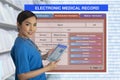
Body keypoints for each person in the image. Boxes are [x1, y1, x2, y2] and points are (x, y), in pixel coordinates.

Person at [11, 10, 59, 80]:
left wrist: (45, 56)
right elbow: (22, 76)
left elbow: (30, 58)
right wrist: (47, 68)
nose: (32, 29)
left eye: (34, 25)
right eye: (27, 24)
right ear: (18, 24)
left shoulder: (26, 40)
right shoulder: (21, 46)